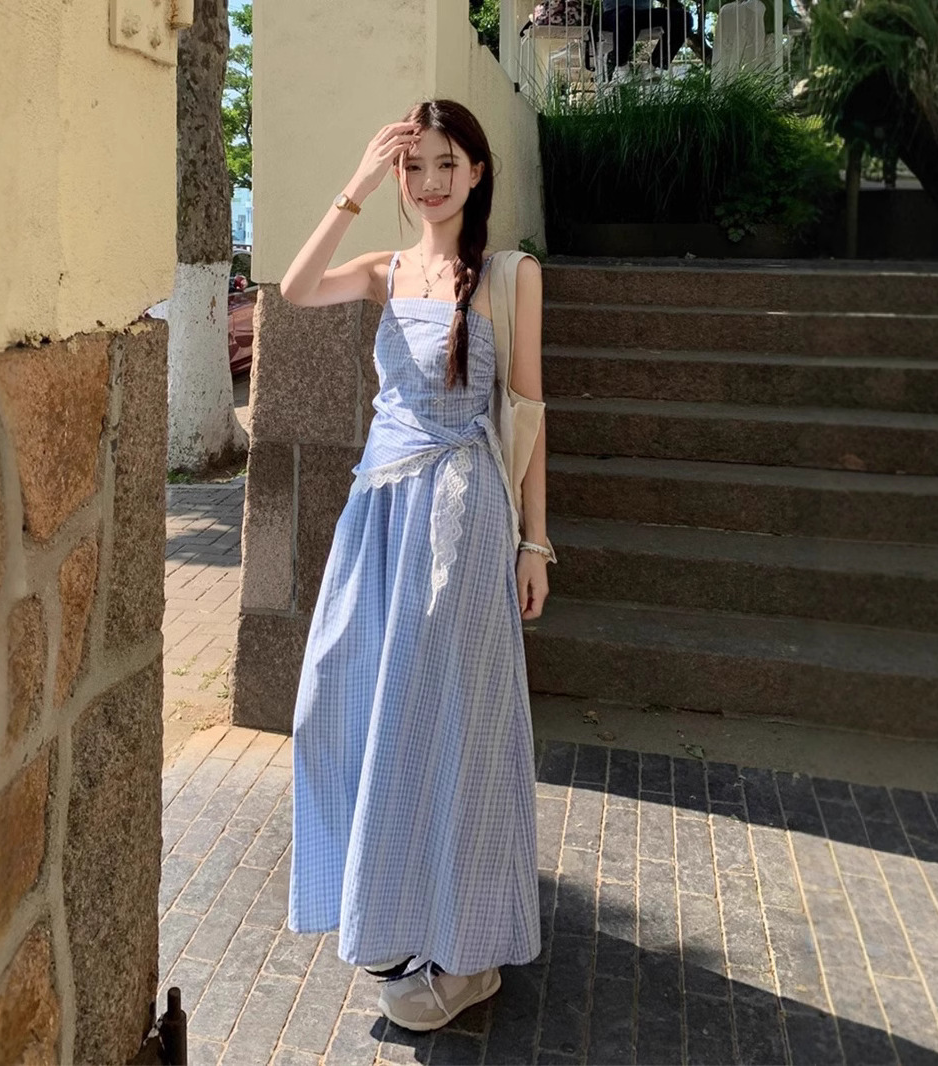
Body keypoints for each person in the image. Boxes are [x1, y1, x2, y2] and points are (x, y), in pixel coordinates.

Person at [279, 99, 551, 1032]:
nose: (430, 182)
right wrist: (357, 181)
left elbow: (528, 413)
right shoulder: (383, 271)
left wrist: (535, 543)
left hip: (461, 517)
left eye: (447, 163)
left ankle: (469, 954)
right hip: (377, 512)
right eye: (415, 166)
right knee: (339, 701)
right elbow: (294, 288)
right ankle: (392, 908)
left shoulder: (509, 276)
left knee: (452, 726)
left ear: (477, 172)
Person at [599, 0, 693, 70]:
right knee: (626, 14)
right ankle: (620, 66)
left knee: (684, 18)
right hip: (614, 14)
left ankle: (653, 66)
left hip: (644, 15)